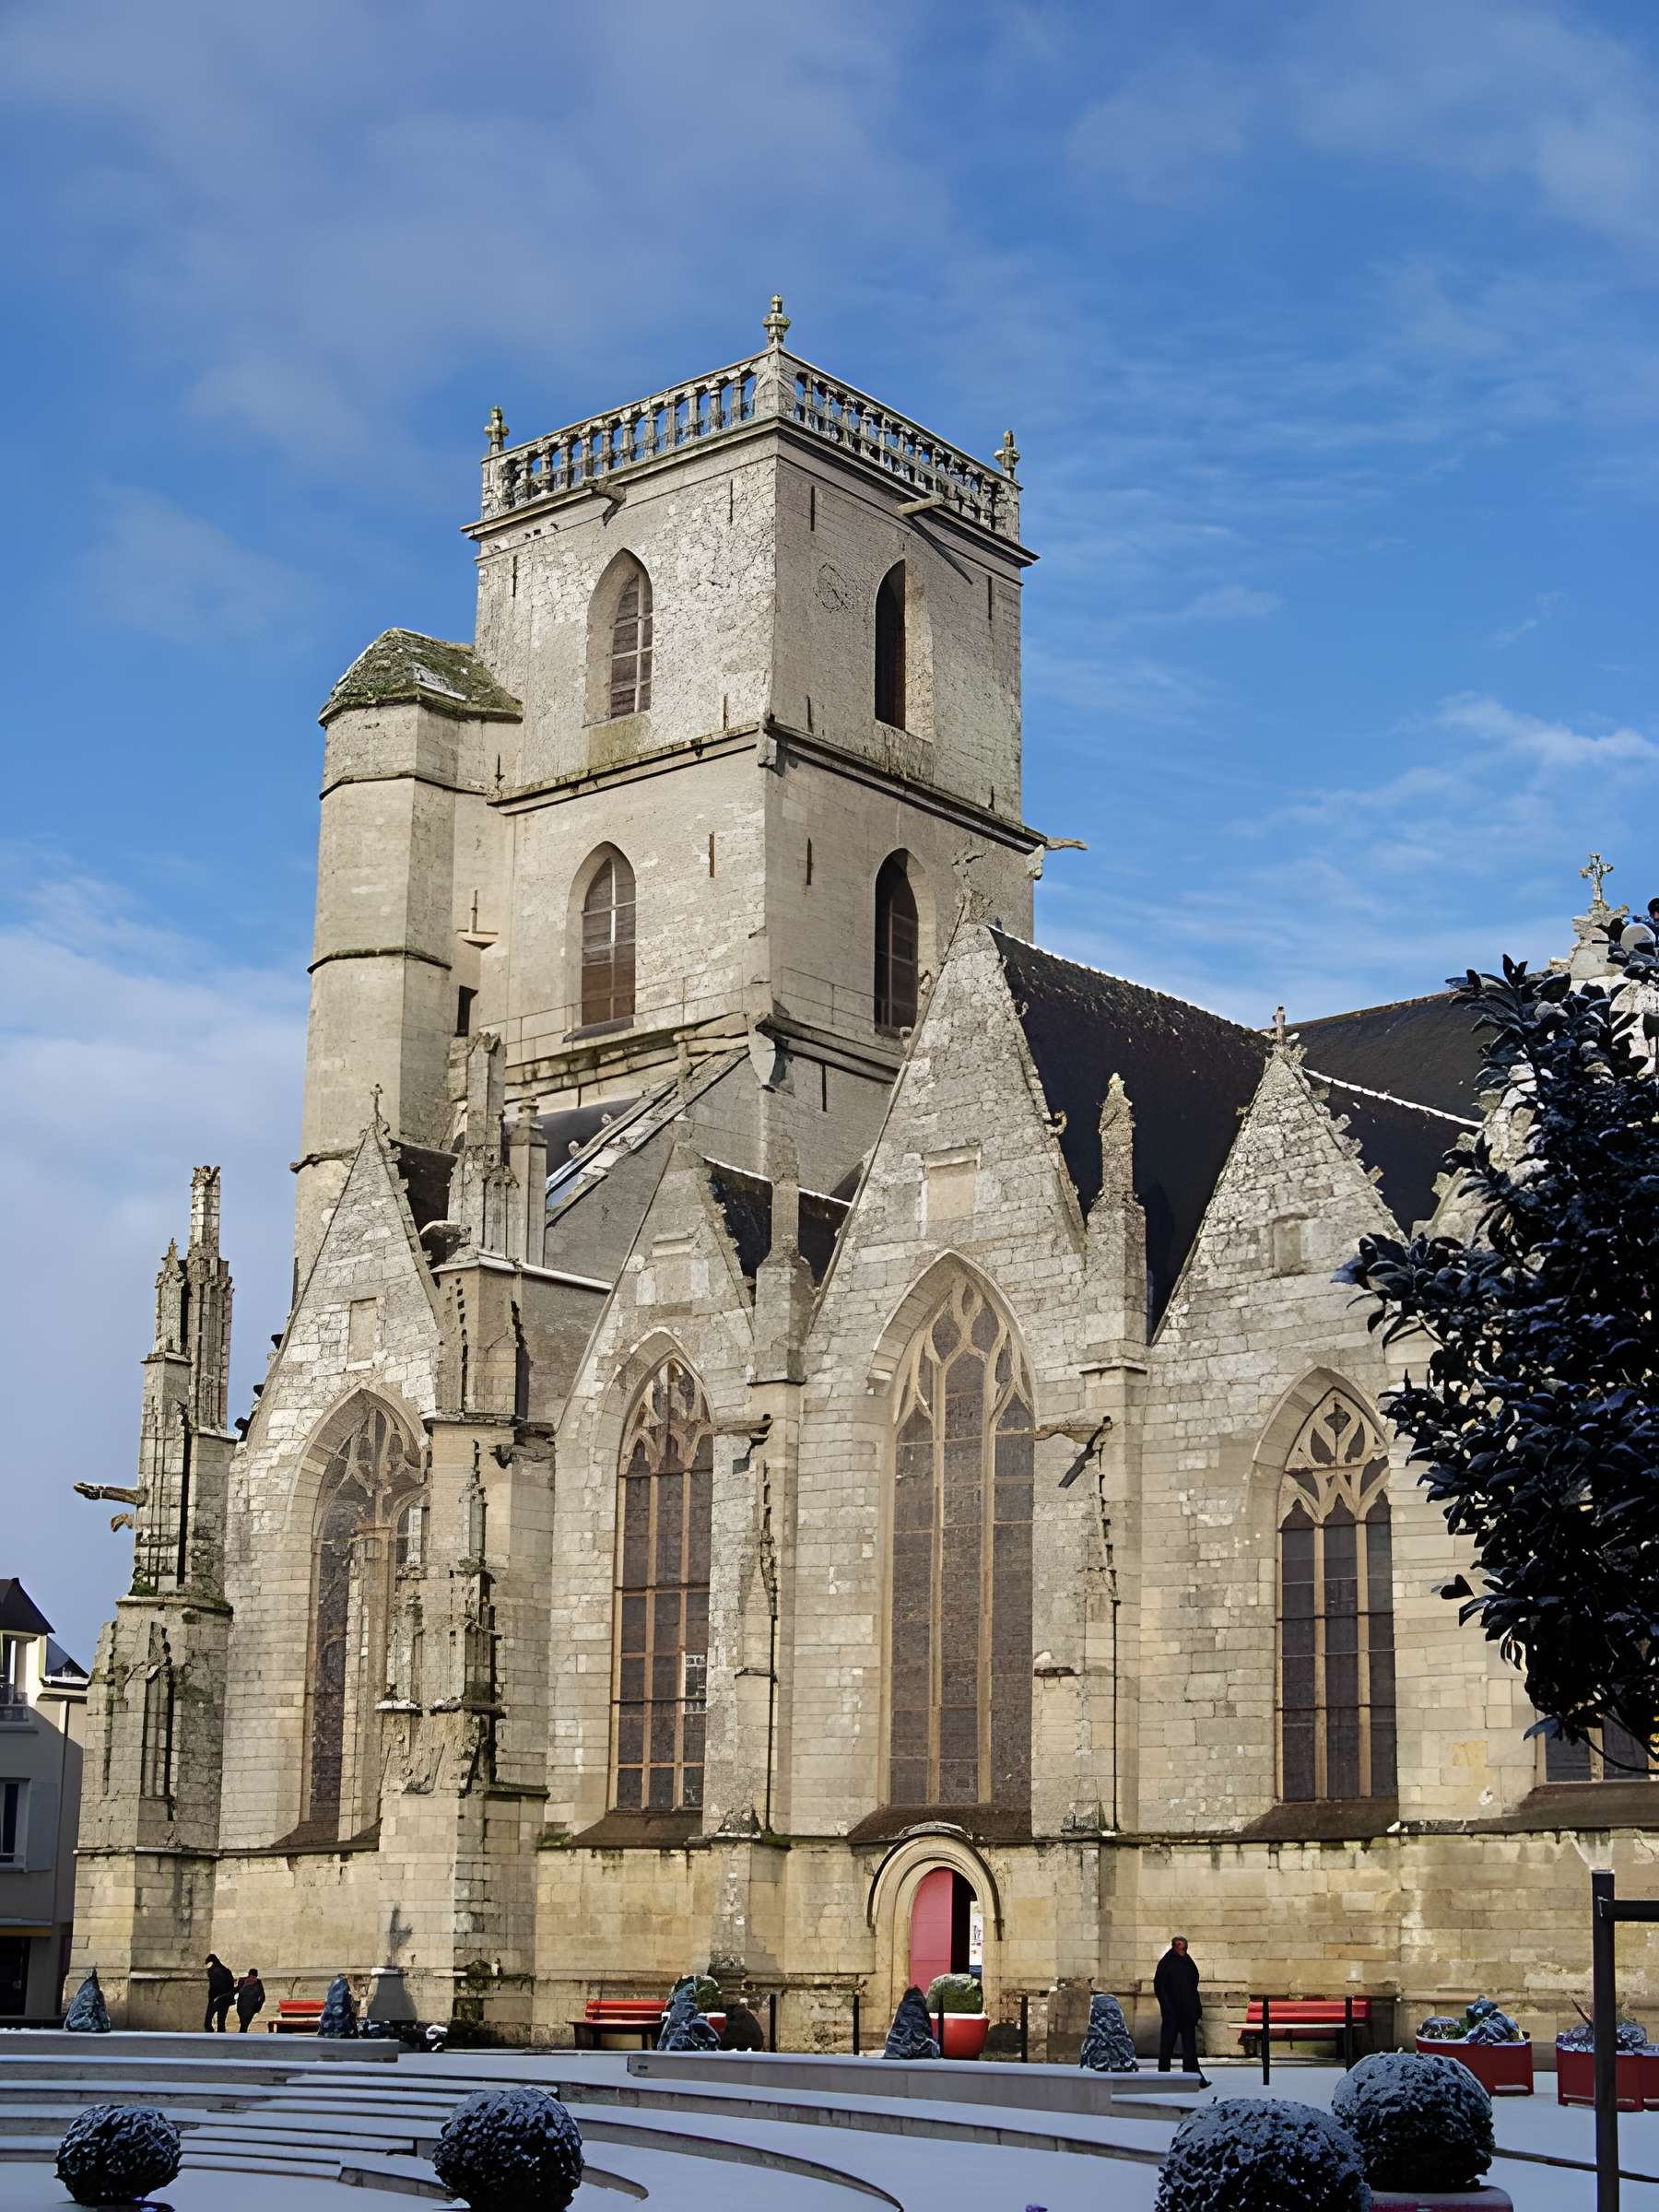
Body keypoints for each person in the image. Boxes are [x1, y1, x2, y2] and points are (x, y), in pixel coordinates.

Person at [1153, 1935, 1201, 2074]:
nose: (1183, 1949)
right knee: (1167, 2045)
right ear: (1174, 1946)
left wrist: (1196, 2009)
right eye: (1180, 1946)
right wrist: (1167, 2008)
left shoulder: (1188, 1962)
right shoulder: (1166, 1963)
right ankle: (1163, 2074)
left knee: (1190, 2047)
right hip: (1172, 2012)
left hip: (1187, 2012)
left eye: (1185, 1947)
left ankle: (1193, 2075)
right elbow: (1159, 1987)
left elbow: (1194, 1984)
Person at [203, 1954, 234, 2033]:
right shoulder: (226, 1970)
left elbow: (213, 1984)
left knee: (208, 2019)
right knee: (221, 2020)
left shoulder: (211, 1971)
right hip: (225, 1998)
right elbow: (231, 1985)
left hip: (215, 1997)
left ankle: (210, 2031)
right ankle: (221, 2035)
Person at [236, 1967, 266, 2033]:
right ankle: (242, 2033)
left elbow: (262, 1996)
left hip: (247, 2007)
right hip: (246, 2006)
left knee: (244, 2023)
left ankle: (242, 2033)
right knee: (244, 2023)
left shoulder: (257, 1982)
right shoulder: (243, 1981)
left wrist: (258, 2006)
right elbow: (262, 1996)